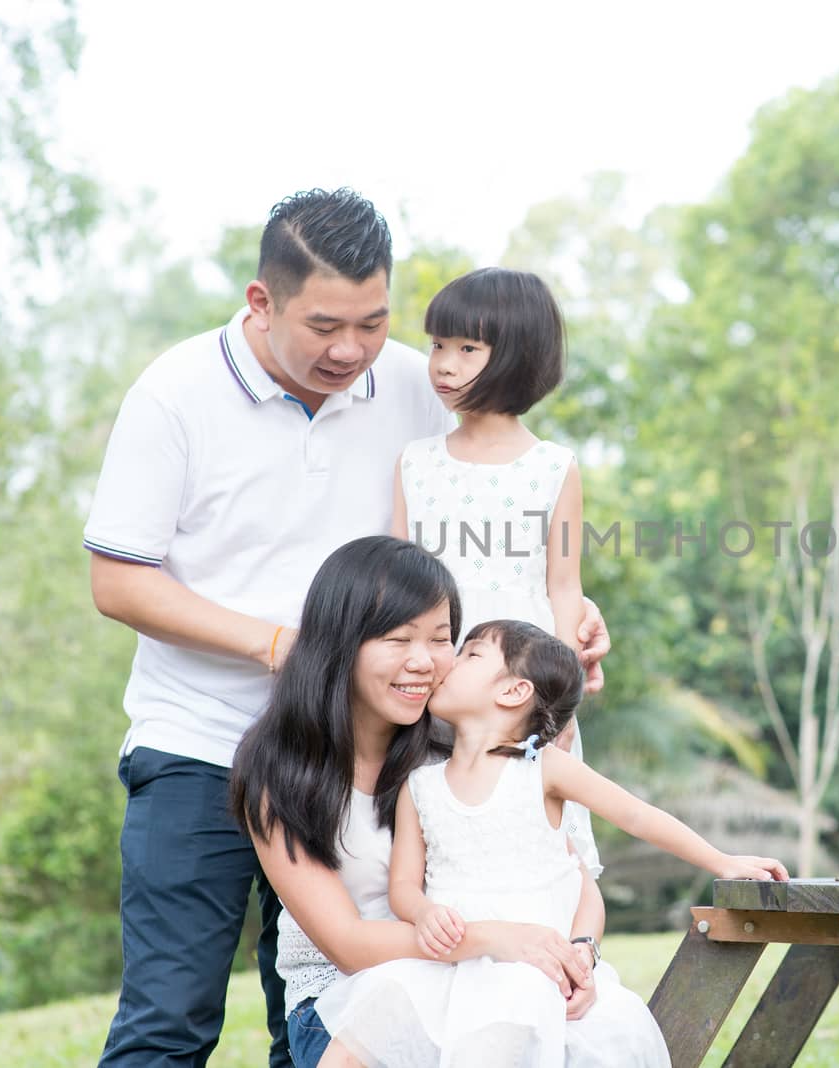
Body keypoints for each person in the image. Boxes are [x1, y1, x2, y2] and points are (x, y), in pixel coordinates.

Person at [84, 189, 611, 1067]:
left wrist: (567, 613)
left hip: (367, 761)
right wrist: (278, 647)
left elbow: (498, 501)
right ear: (262, 302)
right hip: (203, 746)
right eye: (326, 325)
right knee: (169, 1018)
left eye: (373, 323)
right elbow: (116, 580)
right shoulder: (174, 395)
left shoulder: (416, 381)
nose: (351, 350)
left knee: (336, 1014)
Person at [230, 537, 648, 1067]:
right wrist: (495, 940)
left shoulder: (464, 749)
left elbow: (572, 878)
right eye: (399, 639)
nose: (424, 662)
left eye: (441, 638)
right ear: (339, 643)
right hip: (345, 1001)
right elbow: (349, 945)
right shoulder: (281, 772)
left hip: (486, 988)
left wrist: (578, 955)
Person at [312, 617, 789, 1067]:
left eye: (471, 654)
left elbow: (636, 815)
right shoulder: (420, 786)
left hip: (537, 975)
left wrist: (721, 861)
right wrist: (423, 913)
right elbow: (403, 886)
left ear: (514, 690)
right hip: (450, 967)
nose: (448, 663)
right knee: (358, 1036)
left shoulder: (544, 771)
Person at [392, 266, 600, 874]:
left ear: (515, 356)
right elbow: (397, 582)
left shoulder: (553, 466)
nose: (443, 364)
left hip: (520, 686)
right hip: (431, 680)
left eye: (467, 349)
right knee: (435, 841)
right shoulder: (415, 462)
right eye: (437, 345)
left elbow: (564, 589)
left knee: (533, 843)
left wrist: (560, 710)